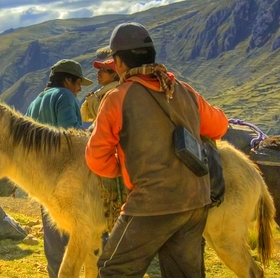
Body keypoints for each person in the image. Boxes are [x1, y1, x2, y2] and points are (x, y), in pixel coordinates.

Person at [85, 22, 229, 278]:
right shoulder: (183, 90)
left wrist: (124, 166)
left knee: (113, 270)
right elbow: (219, 126)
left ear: (118, 63)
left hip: (151, 204)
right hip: (195, 200)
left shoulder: (117, 98)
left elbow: (96, 159)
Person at [25, 59, 92, 278]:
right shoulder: (65, 96)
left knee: (53, 237)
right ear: (67, 80)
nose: (79, 88)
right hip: (68, 178)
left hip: (43, 180)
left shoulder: (35, 103)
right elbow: (71, 136)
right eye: (77, 83)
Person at [80, 59, 119, 124]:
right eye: (99, 70)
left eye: (103, 70)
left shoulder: (115, 93)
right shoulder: (104, 92)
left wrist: (92, 100)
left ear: (113, 75)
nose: (98, 72)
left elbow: (105, 117)